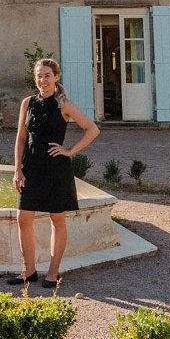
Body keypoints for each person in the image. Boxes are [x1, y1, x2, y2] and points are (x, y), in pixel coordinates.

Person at [8, 57, 100, 288]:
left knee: (56, 218)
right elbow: (21, 137)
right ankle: (29, 272)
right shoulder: (27, 103)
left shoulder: (64, 105)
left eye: (47, 75)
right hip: (30, 166)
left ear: (56, 77)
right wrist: (17, 168)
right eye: (39, 75)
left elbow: (92, 129)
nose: (43, 80)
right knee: (23, 218)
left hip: (55, 168)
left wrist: (69, 151)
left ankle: (53, 272)